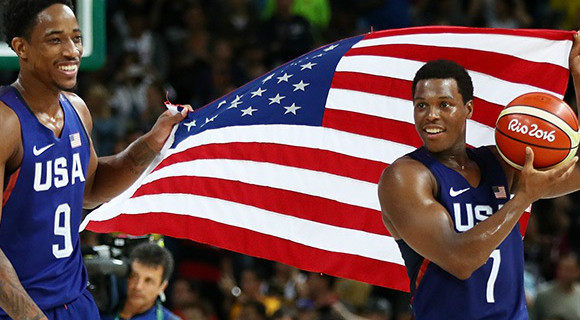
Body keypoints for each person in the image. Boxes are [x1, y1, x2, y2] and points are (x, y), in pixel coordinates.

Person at [0, 1, 189, 319]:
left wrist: (152, 141)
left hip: (76, 301)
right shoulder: (6, 123)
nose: (71, 50)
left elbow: (90, 190)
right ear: (21, 48)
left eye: (76, 38)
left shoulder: (77, 108)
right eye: (55, 39)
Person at [377, 33, 580, 319]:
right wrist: (523, 197)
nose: (430, 115)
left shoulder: (498, 163)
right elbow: (460, 260)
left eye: (444, 104)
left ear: (468, 109)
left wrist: (579, 76)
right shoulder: (405, 177)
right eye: (421, 105)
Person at [102, 242, 181, 320]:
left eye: (148, 281)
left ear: (162, 287)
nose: (138, 286)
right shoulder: (99, 311)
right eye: (134, 277)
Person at [533, 253, 580, 320]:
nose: (565, 273)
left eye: (569, 269)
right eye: (561, 269)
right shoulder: (543, 294)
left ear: (577, 271)